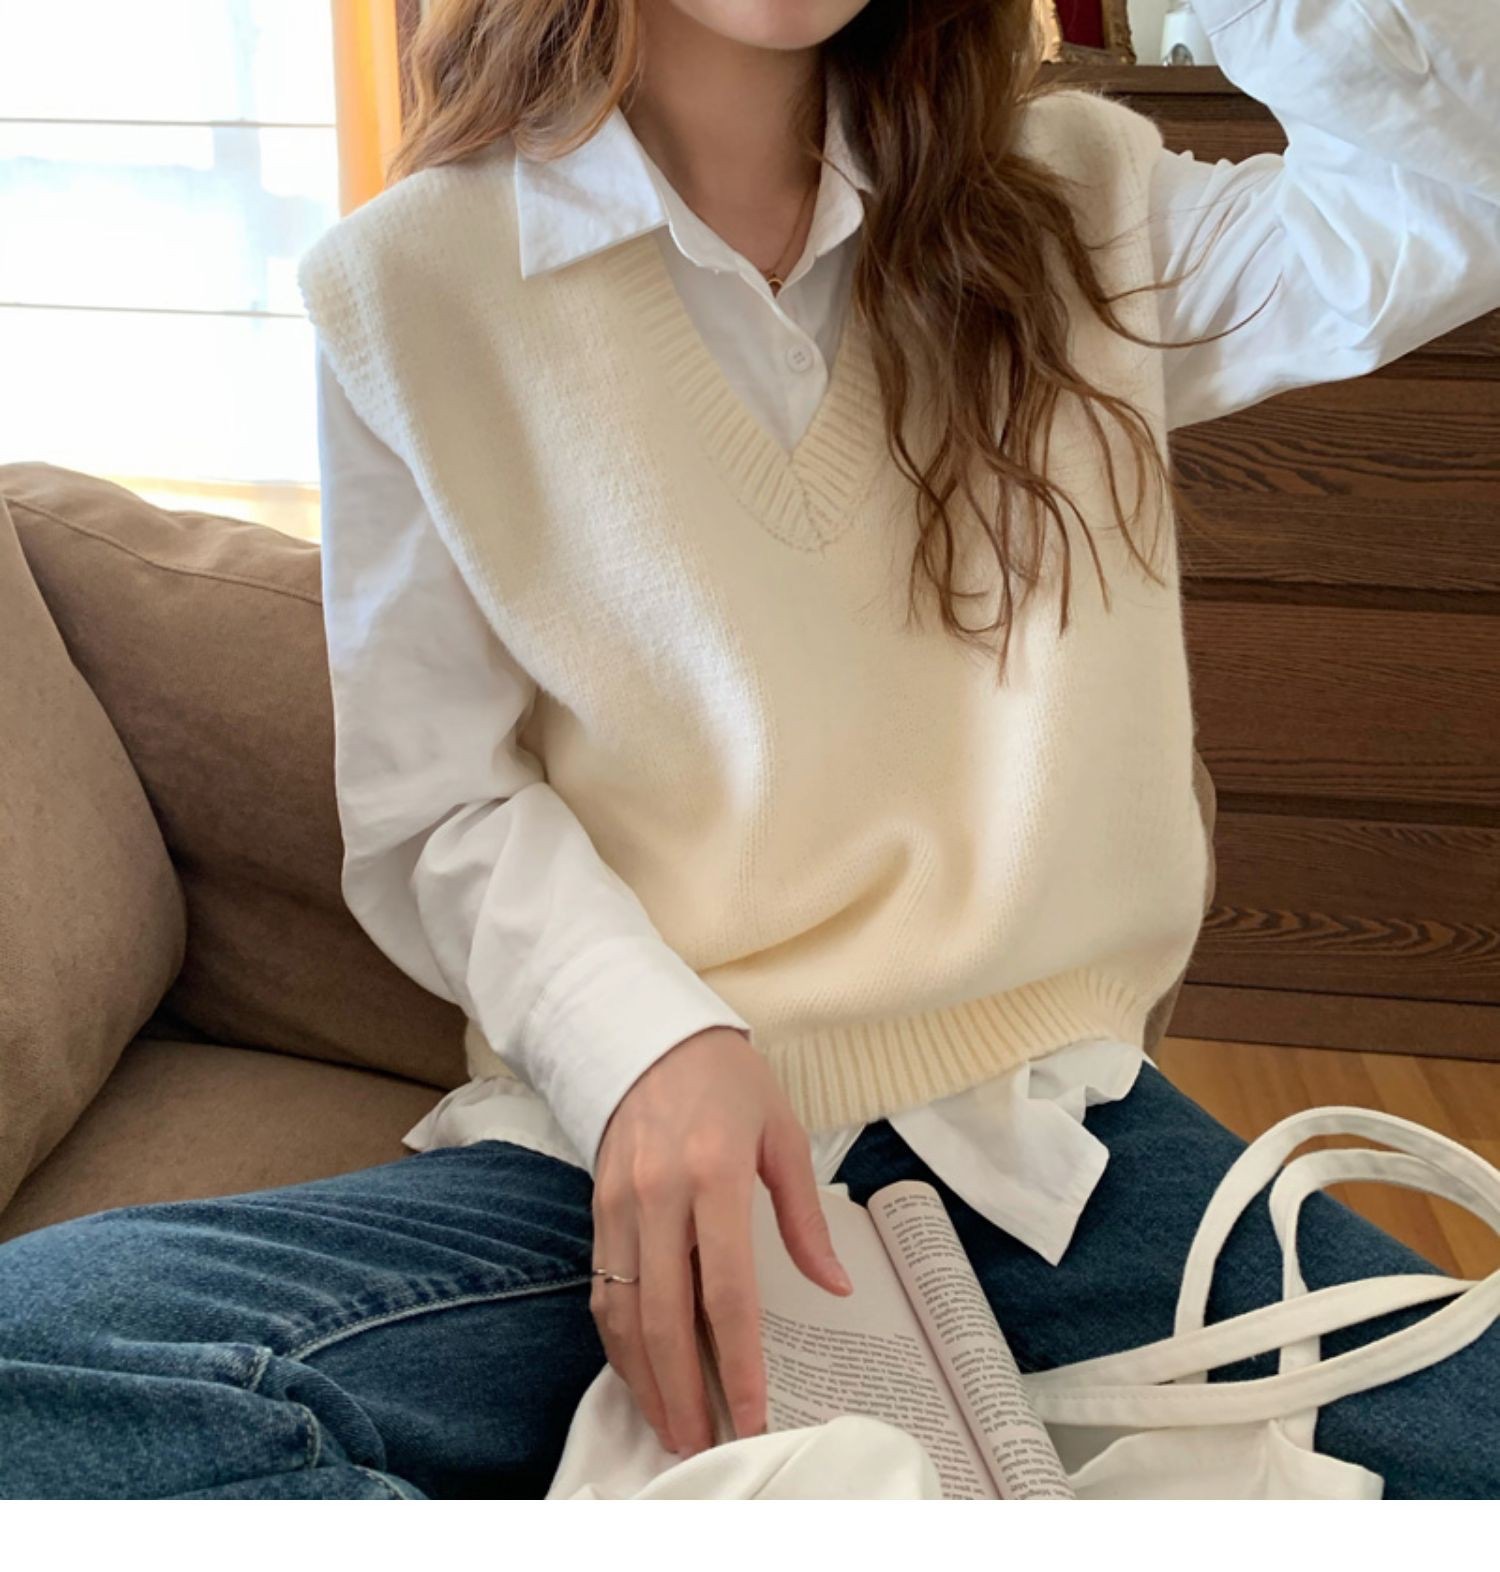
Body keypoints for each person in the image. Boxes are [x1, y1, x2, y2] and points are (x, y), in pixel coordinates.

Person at [2, 0, 1498, 1501]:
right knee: (46, 1368)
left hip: (1055, 1147)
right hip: (628, 1160)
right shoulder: (411, 284)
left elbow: (1455, 191)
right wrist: (649, 1049)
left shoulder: (1079, 203)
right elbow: (441, 807)